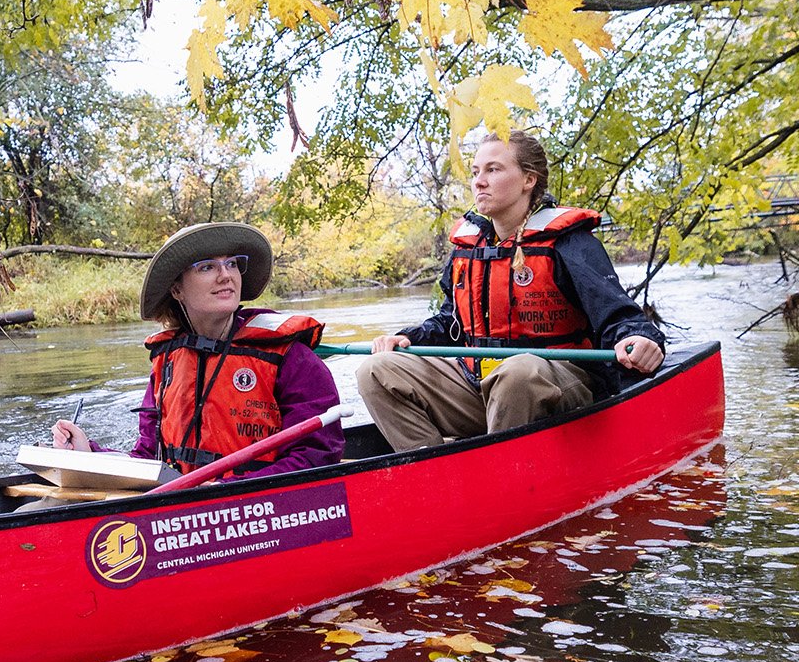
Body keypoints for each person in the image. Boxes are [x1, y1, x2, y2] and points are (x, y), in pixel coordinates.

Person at [355, 130, 664, 452]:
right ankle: (431, 471)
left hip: (558, 384)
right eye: (476, 172)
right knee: (376, 369)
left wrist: (638, 338)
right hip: (478, 382)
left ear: (528, 180)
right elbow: (453, 322)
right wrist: (409, 339)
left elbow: (618, 314)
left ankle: (498, 473)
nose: (479, 182)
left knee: (518, 371)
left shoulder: (569, 243)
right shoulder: (468, 249)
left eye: (493, 169)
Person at [50, 222, 344, 479]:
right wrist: (89, 452)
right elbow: (150, 460)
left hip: (259, 511)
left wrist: (226, 487)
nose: (225, 275)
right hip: (187, 508)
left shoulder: (290, 356)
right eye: (207, 267)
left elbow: (317, 455)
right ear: (177, 290)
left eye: (231, 263)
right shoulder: (167, 362)